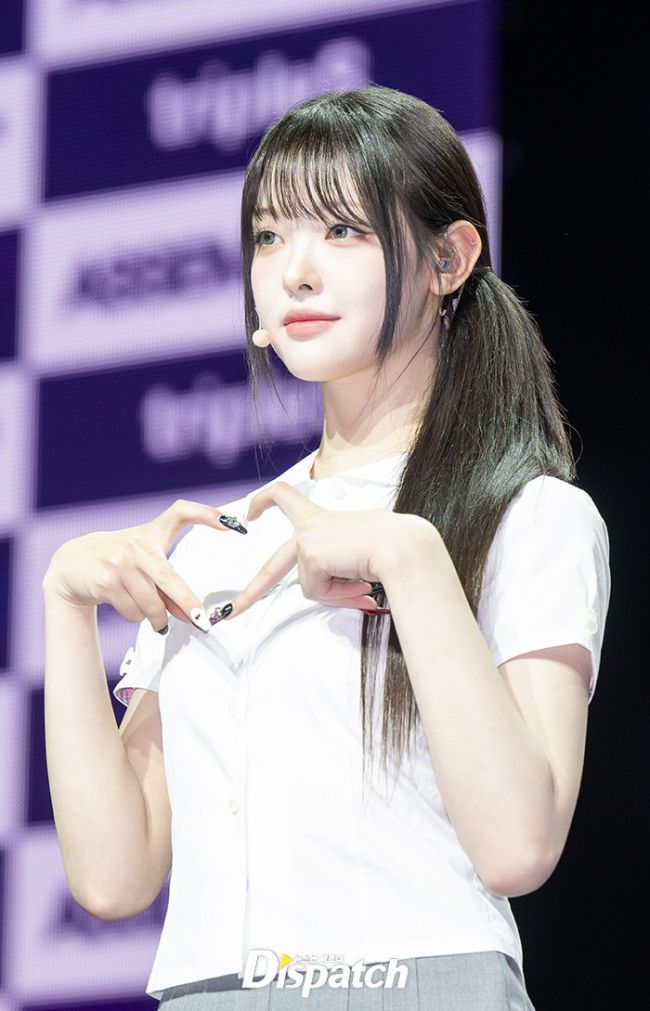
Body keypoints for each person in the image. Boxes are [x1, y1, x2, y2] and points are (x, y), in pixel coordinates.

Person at [43, 86, 610, 1010]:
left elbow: (519, 844)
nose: (294, 272)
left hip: (412, 983)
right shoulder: (222, 541)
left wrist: (411, 559)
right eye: (269, 236)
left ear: (449, 258)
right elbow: (115, 876)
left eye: (342, 230)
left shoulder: (530, 514)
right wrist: (65, 605)